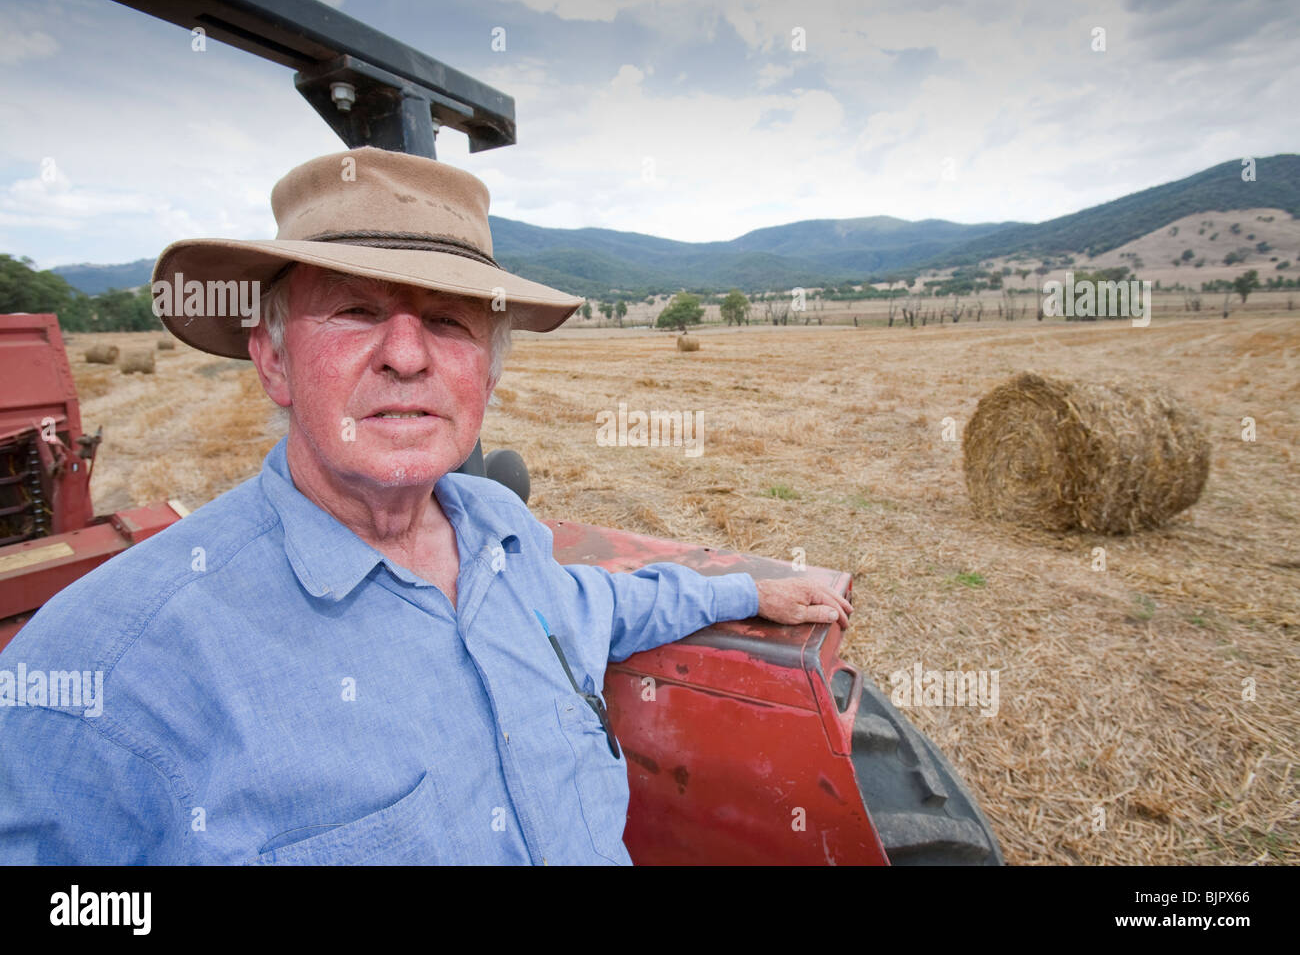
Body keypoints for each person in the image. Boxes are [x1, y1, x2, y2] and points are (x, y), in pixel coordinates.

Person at [0, 147, 851, 864]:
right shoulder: (100, 675)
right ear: (274, 360)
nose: (407, 354)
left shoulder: (505, 535)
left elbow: (606, 605)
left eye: (449, 323)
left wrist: (748, 590)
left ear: (488, 370)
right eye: (355, 311)